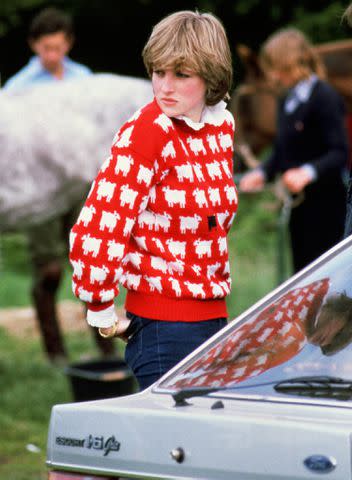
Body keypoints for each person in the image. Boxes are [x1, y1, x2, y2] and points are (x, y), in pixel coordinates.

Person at [69, 10, 237, 390]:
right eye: (158, 72)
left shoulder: (221, 126)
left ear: (211, 76)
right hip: (163, 330)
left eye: (181, 74)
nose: (165, 87)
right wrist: (101, 309)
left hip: (213, 319)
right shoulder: (148, 131)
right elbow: (99, 224)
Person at [3, 7, 115, 363]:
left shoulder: (85, 82)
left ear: (68, 44)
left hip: (80, 185)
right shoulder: (17, 90)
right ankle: (56, 355)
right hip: (39, 192)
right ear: (34, 46)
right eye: (45, 47)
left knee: (91, 264)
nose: (52, 54)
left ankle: (106, 347)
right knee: (50, 270)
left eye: (58, 47)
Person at [240, 28, 348, 273]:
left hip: (327, 209)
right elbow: (282, 152)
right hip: (300, 210)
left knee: (326, 276)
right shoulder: (286, 99)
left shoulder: (325, 97)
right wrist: (263, 173)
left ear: (293, 63)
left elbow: (340, 152)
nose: (275, 75)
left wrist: (306, 173)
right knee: (302, 272)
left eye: (278, 67)